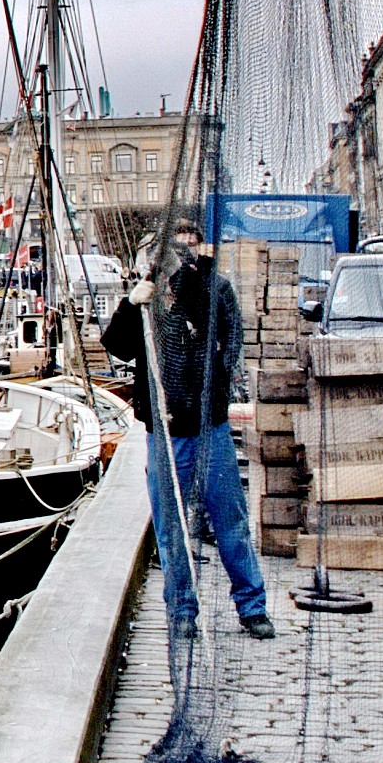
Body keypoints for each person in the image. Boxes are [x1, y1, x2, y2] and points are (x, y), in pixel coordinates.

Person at [103, 221, 275, 638]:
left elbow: (229, 342)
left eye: (191, 247)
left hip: (210, 427)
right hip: (165, 431)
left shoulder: (216, 290)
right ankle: (182, 610)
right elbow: (118, 345)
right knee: (171, 524)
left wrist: (219, 380)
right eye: (178, 249)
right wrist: (131, 303)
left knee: (229, 520)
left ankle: (252, 607)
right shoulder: (150, 294)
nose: (186, 254)